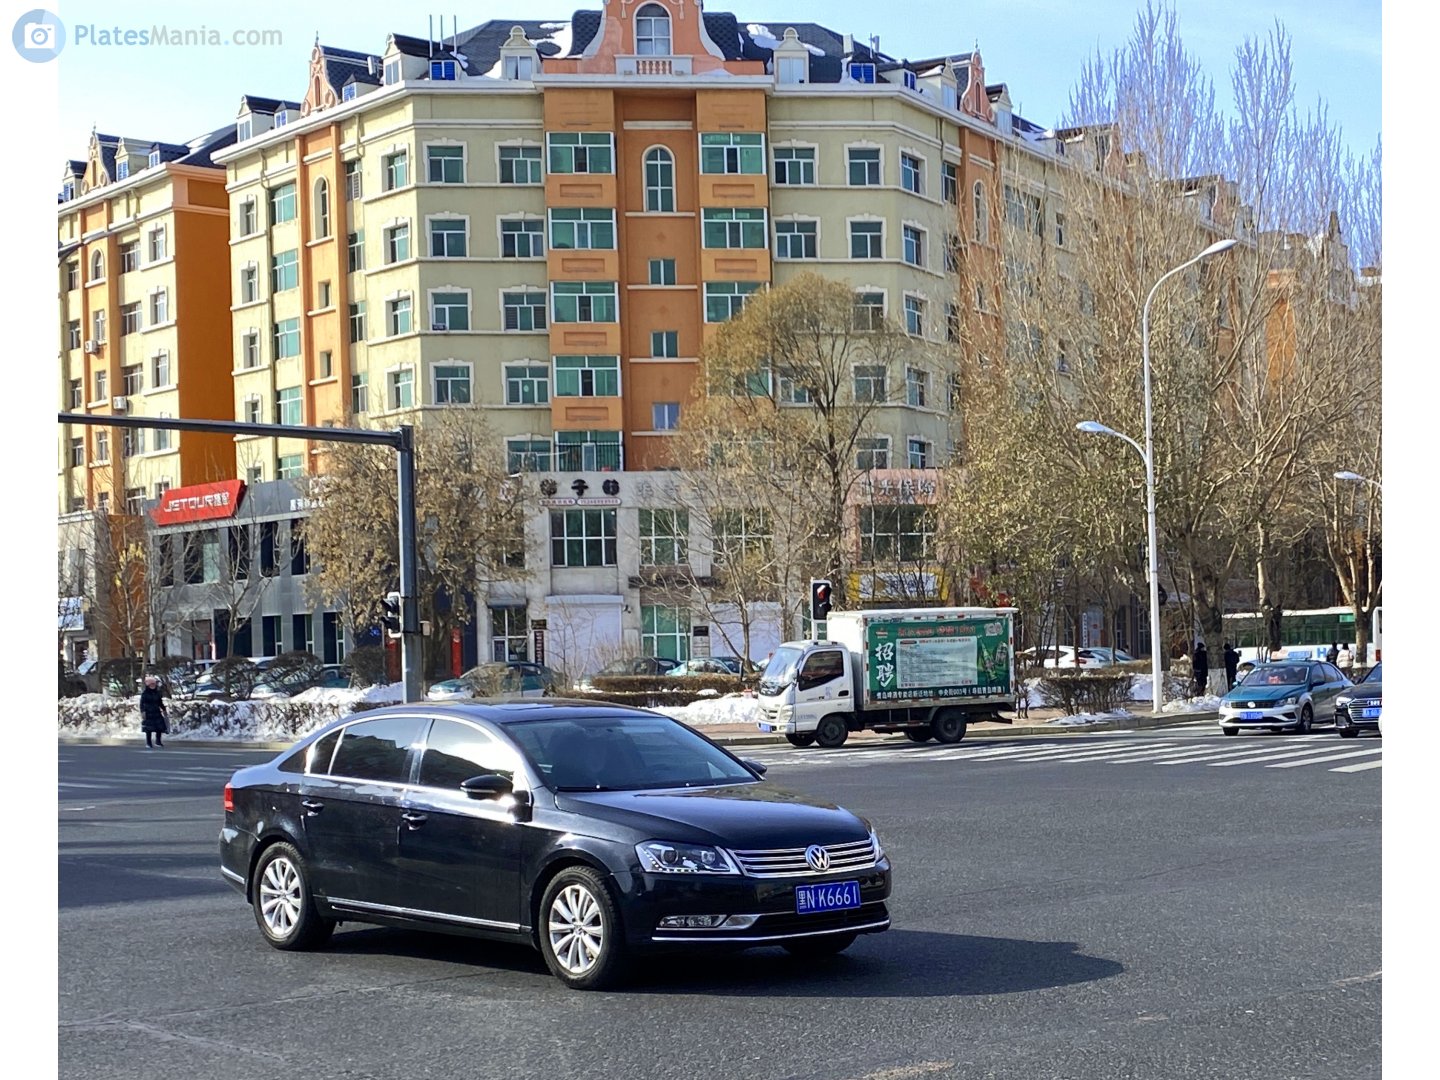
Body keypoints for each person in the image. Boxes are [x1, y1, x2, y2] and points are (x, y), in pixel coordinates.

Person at [139, 675, 169, 748]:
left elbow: (160, 702)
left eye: (154, 684)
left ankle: (158, 741)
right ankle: (148, 743)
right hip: (148, 712)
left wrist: (164, 709)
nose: (153, 686)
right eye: (151, 684)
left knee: (159, 727)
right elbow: (141, 703)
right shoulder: (145, 694)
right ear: (148, 685)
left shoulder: (157, 693)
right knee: (148, 729)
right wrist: (143, 712)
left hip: (156, 712)